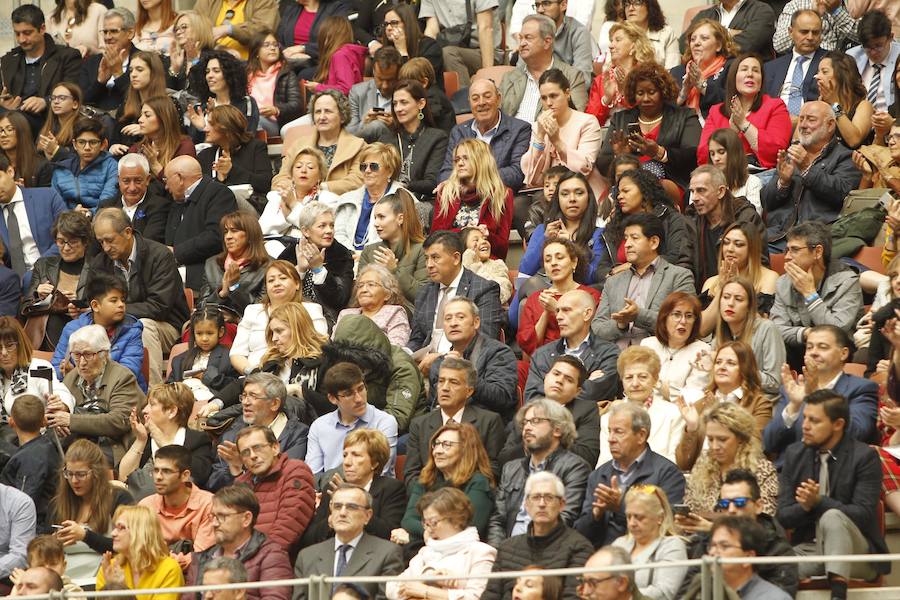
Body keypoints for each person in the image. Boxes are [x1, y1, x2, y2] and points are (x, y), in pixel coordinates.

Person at [778, 390, 889, 599]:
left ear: (838, 424)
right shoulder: (795, 454)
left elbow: (864, 515)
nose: (805, 426)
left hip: (856, 554)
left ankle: (838, 595)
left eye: (814, 420)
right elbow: (782, 517)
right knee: (769, 566)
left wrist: (819, 502)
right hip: (809, 551)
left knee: (831, 516)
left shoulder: (864, 457)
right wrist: (805, 506)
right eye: (804, 418)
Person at [89, 207, 191, 386]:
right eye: (100, 242)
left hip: (165, 326)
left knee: (142, 326)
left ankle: (154, 394)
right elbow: (94, 301)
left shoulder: (160, 255)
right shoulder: (100, 263)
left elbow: (159, 307)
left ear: (128, 232)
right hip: (116, 325)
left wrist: (114, 311)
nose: (105, 247)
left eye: (109, 240)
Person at [575, 401, 685, 549]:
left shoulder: (667, 473)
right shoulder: (599, 475)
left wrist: (620, 507)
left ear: (641, 435)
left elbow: (668, 526)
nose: (611, 439)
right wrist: (596, 514)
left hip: (647, 556)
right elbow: (581, 534)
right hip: (603, 557)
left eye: (619, 432)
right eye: (610, 431)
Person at [675, 469, 798, 598]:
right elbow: (685, 593)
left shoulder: (779, 549)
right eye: (725, 504)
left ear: (759, 506)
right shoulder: (708, 543)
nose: (731, 510)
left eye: (740, 503)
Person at [765, 325, 879, 459]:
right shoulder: (792, 389)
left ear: (844, 353)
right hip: (789, 472)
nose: (813, 352)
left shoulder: (861, 389)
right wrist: (794, 406)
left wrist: (818, 395)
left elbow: (857, 433)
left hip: (835, 471)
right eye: (809, 347)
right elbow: (769, 443)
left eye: (822, 347)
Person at [489, 399, 590, 544]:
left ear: (557, 429)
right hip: (508, 551)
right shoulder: (511, 469)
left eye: (535, 421)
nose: (527, 428)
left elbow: (566, 518)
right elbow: (498, 520)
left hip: (548, 550)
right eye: (525, 422)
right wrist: (497, 552)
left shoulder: (575, 467)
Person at [762, 102, 861, 248]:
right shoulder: (792, 154)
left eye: (811, 119)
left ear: (830, 125)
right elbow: (767, 202)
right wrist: (783, 182)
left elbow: (841, 194)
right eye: (801, 119)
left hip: (814, 241)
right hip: (777, 236)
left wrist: (807, 168)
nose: (802, 125)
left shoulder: (846, 157)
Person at [483, 472, 594, 600]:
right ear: (526, 505)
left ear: (562, 504)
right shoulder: (507, 548)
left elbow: (574, 597)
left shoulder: (579, 547)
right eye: (536, 497)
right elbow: (490, 596)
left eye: (549, 497)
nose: (542, 504)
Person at [592, 214, 695, 347]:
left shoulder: (679, 276)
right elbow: (597, 328)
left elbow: (685, 322)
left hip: (659, 357)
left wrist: (638, 315)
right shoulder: (613, 282)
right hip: (616, 359)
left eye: (634, 238)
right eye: (626, 238)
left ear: (654, 242)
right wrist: (620, 324)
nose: (627, 245)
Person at [596, 63, 702, 193]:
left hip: (670, 185)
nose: (645, 98)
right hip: (627, 186)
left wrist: (659, 152)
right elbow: (602, 163)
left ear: (663, 91)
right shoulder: (620, 119)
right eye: (640, 93)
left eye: (652, 92)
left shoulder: (684, 116)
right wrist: (620, 157)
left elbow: (693, 155)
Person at [770, 222, 864, 364]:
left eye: (795, 250)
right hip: (799, 351)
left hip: (837, 356)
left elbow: (836, 331)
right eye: (786, 250)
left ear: (817, 252)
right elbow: (776, 328)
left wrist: (810, 294)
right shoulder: (783, 283)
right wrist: (805, 333)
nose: (787, 257)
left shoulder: (847, 281)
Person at [52, 324, 144, 466]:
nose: (81, 363)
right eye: (76, 355)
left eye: (88, 355)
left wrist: (71, 421)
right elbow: (63, 413)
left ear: (104, 354)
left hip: (111, 445)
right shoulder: (72, 377)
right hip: (78, 442)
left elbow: (118, 421)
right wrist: (59, 421)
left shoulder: (123, 377)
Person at [392, 422, 494, 549]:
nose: (438, 451)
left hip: (462, 552)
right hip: (425, 548)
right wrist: (427, 534)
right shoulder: (426, 479)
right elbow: (408, 520)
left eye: (447, 445)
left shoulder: (478, 482)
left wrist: (414, 538)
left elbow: (468, 528)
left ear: (465, 449)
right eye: (436, 444)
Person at [515, 173, 605, 317]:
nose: (572, 199)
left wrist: (571, 246)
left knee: (528, 301)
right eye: (565, 194)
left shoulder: (599, 234)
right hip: (542, 291)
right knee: (530, 292)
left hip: (577, 301)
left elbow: (593, 277)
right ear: (558, 199)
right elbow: (525, 271)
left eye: (579, 193)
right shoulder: (543, 230)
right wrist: (544, 240)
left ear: (589, 198)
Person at [181, 484, 293, 600]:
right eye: (213, 516)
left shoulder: (271, 556)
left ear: (246, 519)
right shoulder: (201, 558)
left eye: (222, 516)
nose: (214, 523)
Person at [294, 483, 404, 600]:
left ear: (367, 516)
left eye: (351, 507)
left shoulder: (387, 554)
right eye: (337, 506)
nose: (342, 513)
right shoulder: (307, 556)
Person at [674, 341, 772, 471]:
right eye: (718, 362)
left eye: (731, 363)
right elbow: (683, 463)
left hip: (738, 476)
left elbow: (753, 448)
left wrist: (719, 413)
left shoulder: (759, 403)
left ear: (745, 368)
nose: (722, 367)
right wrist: (691, 429)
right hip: (700, 479)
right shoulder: (700, 404)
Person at [405, 355, 504, 482]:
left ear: (469, 391)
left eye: (453, 382)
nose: (445, 388)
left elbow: (492, 471)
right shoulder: (419, 425)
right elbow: (412, 474)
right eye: (441, 381)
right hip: (429, 497)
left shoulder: (489, 421)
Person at [206, 372, 310, 492]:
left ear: (274, 404)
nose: (245, 402)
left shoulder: (298, 434)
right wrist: (234, 468)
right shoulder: (232, 434)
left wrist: (244, 466)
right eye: (244, 396)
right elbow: (213, 484)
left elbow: (287, 476)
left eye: (253, 396)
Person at [387, 488, 497, 600]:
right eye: (425, 523)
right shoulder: (427, 551)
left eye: (433, 522)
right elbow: (391, 588)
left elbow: (476, 597)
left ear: (457, 520)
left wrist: (426, 591)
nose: (428, 529)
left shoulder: (481, 552)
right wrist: (428, 578)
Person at [51, 440, 133, 584]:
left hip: (103, 582)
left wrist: (85, 536)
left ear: (96, 473)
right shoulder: (59, 503)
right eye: (69, 474)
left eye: (81, 474)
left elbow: (129, 546)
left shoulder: (118, 498)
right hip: (63, 584)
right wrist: (53, 542)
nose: (74, 480)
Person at [304, 429, 406, 544]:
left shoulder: (391, 488)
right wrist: (331, 519)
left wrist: (352, 501)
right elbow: (310, 539)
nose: (347, 462)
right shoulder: (332, 488)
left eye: (356, 455)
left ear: (374, 463)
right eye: (345, 455)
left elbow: (389, 533)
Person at [407, 231, 502, 354]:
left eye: (435, 258)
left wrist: (441, 359)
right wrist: (406, 353)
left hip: (463, 365)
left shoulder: (484, 289)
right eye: (427, 258)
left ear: (456, 258)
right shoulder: (425, 292)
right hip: (424, 363)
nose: (429, 265)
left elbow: (485, 342)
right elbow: (417, 339)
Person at [228, 261, 328, 377]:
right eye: (271, 280)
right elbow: (237, 353)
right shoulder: (253, 311)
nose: (276, 283)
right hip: (254, 377)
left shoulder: (310, 309)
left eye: (283, 278)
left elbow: (319, 347)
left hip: (294, 375)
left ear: (297, 284)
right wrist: (252, 372)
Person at [51, 272, 147, 391]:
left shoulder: (132, 330)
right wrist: (66, 373)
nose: (121, 305)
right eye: (114, 300)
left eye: (122, 300)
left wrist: (77, 374)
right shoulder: (72, 329)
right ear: (95, 306)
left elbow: (128, 372)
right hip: (79, 392)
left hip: (120, 393)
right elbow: (55, 368)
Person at [524, 290, 621, 407]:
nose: (558, 317)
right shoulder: (542, 355)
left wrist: (553, 394)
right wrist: (587, 383)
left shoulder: (609, 353)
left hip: (590, 423)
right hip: (547, 423)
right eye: (557, 311)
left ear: (587, 314)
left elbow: (594, 393)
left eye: (566, 310)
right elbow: (532, 400)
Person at [681, 402, 778, 518]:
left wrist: (711, 527)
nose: (715, 446)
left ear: (741, 438)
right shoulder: (703, 462)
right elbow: (689, 507)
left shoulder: (762, 470)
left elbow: (766, 520)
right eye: (710, 439)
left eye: (722, 439)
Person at [697, 53, 792, 172]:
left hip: (761, 176)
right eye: (744, 69)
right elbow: (703, 155)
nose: (750, 74)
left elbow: (777, 152)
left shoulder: (775, 106)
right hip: (723, 177)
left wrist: (743, 124)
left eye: (756, 71)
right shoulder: (716, 112)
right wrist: (731, 134)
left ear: (761, 80)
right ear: (734, 77)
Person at [426, 297, 517, 419]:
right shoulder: (440, 363)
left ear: (476, 322)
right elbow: (432, 407)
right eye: (448, 319)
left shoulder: (498, 352)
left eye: (460, 317)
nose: (453, 323)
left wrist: (465, 372)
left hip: (484, 427)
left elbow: (503, 398)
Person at [596, 169, 696, 280]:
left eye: (626, 191)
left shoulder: (671, 219)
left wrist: (632, 267)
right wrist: (615, 275)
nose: (619, 196)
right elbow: (601, 268)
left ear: (644, 191)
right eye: (619, 192)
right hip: (617, 284)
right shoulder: (615, 226)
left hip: (659, 282)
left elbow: (675, 256)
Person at [0, 5, 82, 136]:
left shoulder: (67, 56)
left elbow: (74, 92)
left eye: (27, 33)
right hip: (11, 119)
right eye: (17, 33)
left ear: (42, 28)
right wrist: (4, 105)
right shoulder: (8, 60)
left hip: (48, 120)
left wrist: (46, 101)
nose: (21, 39)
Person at [521, 68, 603, 198]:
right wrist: (540, 138)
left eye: (553, 96)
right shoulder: (539, 126)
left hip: (583, 192)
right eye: (544, 98)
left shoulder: (587, 122)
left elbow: (583, 168)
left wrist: (557, 141)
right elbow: (530, 177)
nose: (548, 103)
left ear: (567, 93)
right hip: (550, 194)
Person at [438, 79, 530, 194]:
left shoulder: (519, 129)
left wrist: (474, 182)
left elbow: (517, 172)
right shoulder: (459, 131)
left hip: (499, 196)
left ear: (498, 98)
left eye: (487, 96)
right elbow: (446, 171)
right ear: (470, 103)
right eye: (475, 99)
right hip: (464, 196)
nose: (481, 103)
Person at [119, 383, 215, 492]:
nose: (145, 410)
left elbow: (197, 478)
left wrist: (163, 442)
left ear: (172, 411)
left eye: (152, 404)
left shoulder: (197, 440)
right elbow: (123, 479)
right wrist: (140, 440)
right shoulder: (145, 439)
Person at [233, 425, 315, 551]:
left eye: (258, 448)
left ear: (275, 448)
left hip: (277, 561)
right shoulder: (240, 484)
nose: (253, 456)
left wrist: (255, 558)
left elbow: (288, 526)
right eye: (245, 452)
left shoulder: (295, 471)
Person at [163, 155, 238, 292]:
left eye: (166, 180)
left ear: (179, 178)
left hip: (204, 274)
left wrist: (176, 253)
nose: (166, 186)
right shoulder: (176, 201)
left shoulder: (219, 194)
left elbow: (216, 236)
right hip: (175, 271)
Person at [306, 362, 398, 475]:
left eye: (361, 389)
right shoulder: (319, 426)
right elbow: (312, 475)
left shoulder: (384, 423)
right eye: (349, 394)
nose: (359, 399)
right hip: (328, 490)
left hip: (373, 491)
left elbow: (378, 472)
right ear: (333, 399)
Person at [598, 346, 685, 465]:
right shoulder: (608, 418)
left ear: (655, 380)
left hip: (660, 479)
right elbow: (605, 462)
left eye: (642, 377)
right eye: (629, 377)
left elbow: (673, 461)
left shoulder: (673, 414)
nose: (635, 383)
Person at [273, 91, 366, 196]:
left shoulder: (359, 146)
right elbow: (281, 178)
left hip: (340, 204)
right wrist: (292, 188)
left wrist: (318, 188)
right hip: (299, 202)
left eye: (328, 111)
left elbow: (357, 182)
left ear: (343, 116)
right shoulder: (299, 145)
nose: (321, 117)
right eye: (317, 112)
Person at [432, 139, 513, 260]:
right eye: (457, 159)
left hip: (485, 264)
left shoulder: (502, 195)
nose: (460, 163)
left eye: (466, 158)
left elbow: (502, 250)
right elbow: (434, 239)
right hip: (451, 262)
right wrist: (463, 233)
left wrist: (487, 236)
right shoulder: (446, 193)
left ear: (481, 161)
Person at [518, 242, 602, 357]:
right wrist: (546, 312)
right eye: (548, 260)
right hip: (543, 362)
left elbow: (593, 337)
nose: (553, 263)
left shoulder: (591, 296)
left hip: (580, 359)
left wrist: (556, 309)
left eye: (559, 258)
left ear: (574, 262)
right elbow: (530, 346)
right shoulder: (535, 299)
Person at [23, 210, 92, 348]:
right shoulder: (43, 266)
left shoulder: (97, 268)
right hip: (48, 333)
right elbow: (24, 308)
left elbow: (103, 307)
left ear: (85, 242)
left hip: (85, 331)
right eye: (61, 242)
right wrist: (39, 295)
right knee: (53, 320)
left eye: (72, 242)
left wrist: (82, 307)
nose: (66, 248)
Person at [502, 15, 587, 125]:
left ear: (547, 42)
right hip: (511, 139)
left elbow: (576, 120)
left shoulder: (571, 76)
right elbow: (497, 119)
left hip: (550, 138)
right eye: (521, 38)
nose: (522, 43)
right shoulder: (509, 78)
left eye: (528, 38)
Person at [681, 516, 792, 600]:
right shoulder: (702, 592)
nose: (713, 552)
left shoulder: (774, 598)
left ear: (748, 557)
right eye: (712, 546)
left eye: (724, 546)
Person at [709, 278, 786, 395]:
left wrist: (739, 370)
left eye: (738, 299)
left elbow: (775, 382)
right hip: (727, 403)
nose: (730, 303)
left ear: (749, 307)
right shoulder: (717, 340)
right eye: (726, 297)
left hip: (759, 405)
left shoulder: (767, 329)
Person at [259, 146, 341, 257]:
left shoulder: (328, 200)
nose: (303, 170)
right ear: (292, 174)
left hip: (312, 252)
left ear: (320, 176)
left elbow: (318, 231)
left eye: (310, 167)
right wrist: (286, 208)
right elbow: (263, 230)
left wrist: (293, 206)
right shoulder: (278, 197)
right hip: (274, 249)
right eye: (298, 166)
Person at [610, 485, 687, 600]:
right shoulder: (619, 544)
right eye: (628, 516)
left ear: (659, 518)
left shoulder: (673, 546)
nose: (632, 523)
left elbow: (663, 593)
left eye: (639, 517)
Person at [377, 80, 449, 201]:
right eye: (395, 104)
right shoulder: (386, 139)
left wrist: (402, 186)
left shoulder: (437, 138)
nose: (398, 109)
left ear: (421, 103)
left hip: (420, 202)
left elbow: (431, 183)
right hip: (385, 200)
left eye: (404, 102)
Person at [1, 396, 62, 534]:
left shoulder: (32, 458)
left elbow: (23, 504)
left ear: (11, 422)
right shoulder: (44, 447)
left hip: (33, 533)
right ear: (43, 422)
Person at [288, 202, 355, 327]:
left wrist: (319, 270)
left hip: (324, 319)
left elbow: (340, 299)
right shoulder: (291, 252)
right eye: (322, 226)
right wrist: (300, 270)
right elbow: (274, 291)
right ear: (306, 231)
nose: (329, 231)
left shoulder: (341, 255)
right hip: (289, 314)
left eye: (332, 225)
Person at [95, 505, 184, 599]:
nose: (113, 533)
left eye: (121, 528)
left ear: (140, 532)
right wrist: (112, 587)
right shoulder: (110, 568)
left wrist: (120, 589)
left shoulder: (169, 569)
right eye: (115, 527)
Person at [0, 316, 73, 429]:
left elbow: (59, 392)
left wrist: (62, 405)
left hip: (37, 439)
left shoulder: (38, 367)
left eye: (10, 346)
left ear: (20, 345)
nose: (4, 353)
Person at [357, 190, 428, 305]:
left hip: (405, 314)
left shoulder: (422, 250)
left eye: (381, 217)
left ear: (400, 218)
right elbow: (359, 292)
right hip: (371, 311)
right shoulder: (369, 251)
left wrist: (395, 270)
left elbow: (423, 296)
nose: (375, 223)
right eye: (375, 217)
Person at [332, 142, 404, 252]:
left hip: (382, 260)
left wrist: (365, 256)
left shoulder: (403, 200)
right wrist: (350, 255)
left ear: (389, 171)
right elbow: (338, 233)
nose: (367, 170)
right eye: (363, 166)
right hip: (346, 258)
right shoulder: (348, 199)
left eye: (374, 166)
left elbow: (400, 240)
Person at [639, 292, 709, 404]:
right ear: (664, 318)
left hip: (679, 414)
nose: (683, 321)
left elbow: (693, 396)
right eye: (677, 314)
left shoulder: (702, 351)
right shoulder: (648, 345)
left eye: (689, 316)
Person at [199, 211, 271, 317]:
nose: (228, 237)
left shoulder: (268, 267)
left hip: (248, 325)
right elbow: (201, 307)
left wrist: (234, 287)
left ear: (250, 235)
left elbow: (260, 309)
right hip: (214, 325)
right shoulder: (212, 264)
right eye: (225, 232)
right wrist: (222, 293)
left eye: (234, 231)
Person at [166, 307, 240, 406]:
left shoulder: (230, 357)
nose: (204, 338)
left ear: (221, 332)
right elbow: (169, 386)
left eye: (210, 333)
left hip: (211, 404)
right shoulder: (179, 360)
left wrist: (207, 377)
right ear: (193, 333)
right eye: (199, 333)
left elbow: (236, 386)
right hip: (182, 405)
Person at [586, 22, 656, 127]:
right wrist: (606, 99)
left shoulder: (647, 76)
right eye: (611, 41)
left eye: (618, 40)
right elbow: (590, 123)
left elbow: (649, 113)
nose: (610, 46)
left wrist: (623, 92)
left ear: (633, 46)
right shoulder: (603, 79)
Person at [196, 105, 271, 198]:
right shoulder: (205, 155)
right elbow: (201, 193)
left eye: (211, 124)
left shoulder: (255, 147)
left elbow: (265, 184)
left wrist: (232, 170)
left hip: (248, 207)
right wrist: (220, 179)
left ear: (226, 126)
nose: (205, 129)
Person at [420, 0, 498, 89]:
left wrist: (487, 74)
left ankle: (465, 99)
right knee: (433, 54)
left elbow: (485, 28)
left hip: (484, 52)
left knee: (448, 53)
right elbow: (431, 30)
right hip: (450, 48)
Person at [764, 10, 825, 120]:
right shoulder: (771, 68)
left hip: (812, 124)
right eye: (804, 32)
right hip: (773, 125)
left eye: (815, 32)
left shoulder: (831, 62)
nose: (810, 37)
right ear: (791, 32)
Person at [97, 154, 170, 244]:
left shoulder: (159, 207)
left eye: (138, 181)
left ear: (147, 180)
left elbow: (149, 244)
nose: (132, 188)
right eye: (126, 181)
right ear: (119, 180)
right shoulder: (106, 206)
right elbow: (95, 246)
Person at [50, 117, 118, 214]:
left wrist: (88, 213)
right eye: (81, 142)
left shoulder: (111, 166)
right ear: (74, 144)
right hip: (66, 222)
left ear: (103, 144)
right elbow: (55, 205)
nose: (87, 148)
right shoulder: (61, 169)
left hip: (99, 219)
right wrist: (72, 214)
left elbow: (107, 203)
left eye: (93, 142)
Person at [671, 19, 736, 120]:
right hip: (681, 129)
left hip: (717, 129)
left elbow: (732, 104)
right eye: (693, 39)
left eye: (704, 38)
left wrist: (702, 85)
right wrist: (684, 93)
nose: (696, 43)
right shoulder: (677, 72)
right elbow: (665, 111)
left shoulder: (732, 68)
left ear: (718, 46)